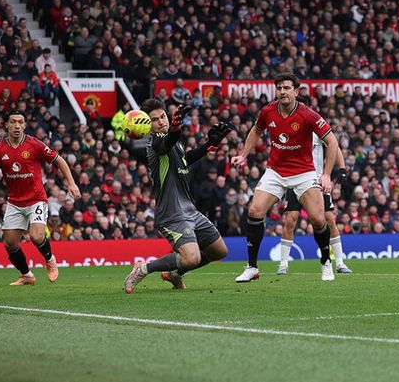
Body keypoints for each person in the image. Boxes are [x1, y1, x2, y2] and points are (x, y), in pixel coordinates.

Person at [231, 72, 339, 282]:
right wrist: (243, 154)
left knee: (319, 219)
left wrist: (326, 174)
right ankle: (252, 267)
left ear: (296, 91)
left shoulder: (308, 115)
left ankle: (326, 262)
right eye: (279, 88)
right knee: (254, 210)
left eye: (287, 88)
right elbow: (255, 131)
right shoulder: (268, 111)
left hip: (303, 172)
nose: (282, 92)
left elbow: (332, 142)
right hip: (276, 171)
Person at [123, 99, 232, 294]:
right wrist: (175, 128)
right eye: (154, 120)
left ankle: (175, 274)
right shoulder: (155, 144)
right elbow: (166, 143)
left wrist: (209, 145)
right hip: (171, 213)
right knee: (192, 258)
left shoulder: (174, 142)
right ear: (148, 125)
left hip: (189, 209)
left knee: (219, 251)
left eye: (162, 116)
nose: (161, 121)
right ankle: (143, 269)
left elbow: (185, 160)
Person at [0, 110, 81, 285]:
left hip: (36, 199)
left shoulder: (34, 144)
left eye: (20, 122)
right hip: (14, 201)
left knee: (36, 236)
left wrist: (71, 183)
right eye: (13, 122)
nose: (17, 126)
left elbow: (59, 160)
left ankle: (50, 260)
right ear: (6, 125)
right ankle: (26, 275)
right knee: (10, 243)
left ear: (25, 125)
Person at [277, 132, 352, 275]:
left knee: (329, 219)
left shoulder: (317, 130)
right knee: (290, 220)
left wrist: (342, 169)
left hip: (317, 180)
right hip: (295, 179)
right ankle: (283, 264)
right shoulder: (292, 131)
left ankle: (340, 262)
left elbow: (334, 146)